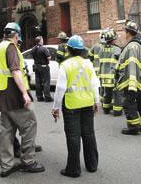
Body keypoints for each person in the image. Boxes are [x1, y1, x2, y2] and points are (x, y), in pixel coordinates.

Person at [0, 22, 45, 178]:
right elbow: (15, 71)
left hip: (1, 94)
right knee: (30, 124)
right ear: (16, 35)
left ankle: (6, 166)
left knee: (6, 131)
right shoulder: (11, 48)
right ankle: (28, 161)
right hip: (13, 95)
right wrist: (24, 93)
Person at [51, 35, 100, 178]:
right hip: (87, 103)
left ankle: (73, 169)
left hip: (71, 105)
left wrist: (55, 108)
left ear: (69, 49)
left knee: (73, 137)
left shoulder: (65, 65)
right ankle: (92, 165)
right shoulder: (88, 63)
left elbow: (60, 89)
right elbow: (94, 84)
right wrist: (96, 101)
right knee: (89, 134)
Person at [116, 20, 141, 135]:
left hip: (132, 82)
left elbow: (132, 65)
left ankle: (133, 127)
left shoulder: (131, 47)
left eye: (125, 31)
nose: (124, 34)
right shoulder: (140, 46)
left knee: (129, 104)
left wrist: (131, 85)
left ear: (128, 32)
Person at [98, 28, 123, 116]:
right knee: (117, 94)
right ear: (112, 39)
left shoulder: (101, 49)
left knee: (106, 94)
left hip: (104, 77)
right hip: (113, 76)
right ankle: (117, 111)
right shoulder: (117, 50)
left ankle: (106, 109)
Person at [31, 36, 53, 102]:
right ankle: (47, 97)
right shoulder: (44, 48)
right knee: (46, 82)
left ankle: (39, 97)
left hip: (36, 66)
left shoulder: (33, 49)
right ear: (40, 41)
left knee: (38, 82)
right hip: (44, 66)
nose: (43, 41)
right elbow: (49, 57)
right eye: (42, 39)